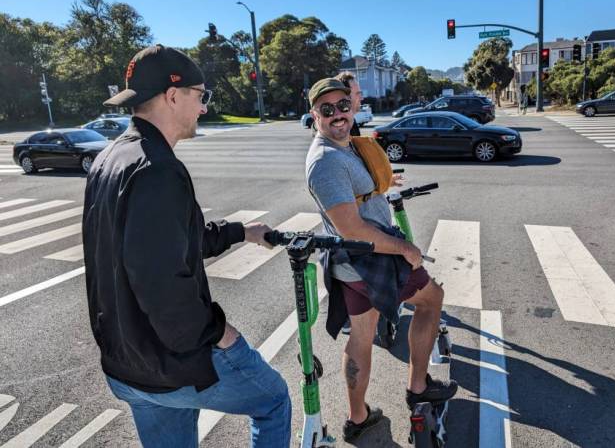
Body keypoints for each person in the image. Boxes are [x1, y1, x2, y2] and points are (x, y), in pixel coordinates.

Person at [82, 45, 291, 448]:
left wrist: (240, 232)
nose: (204, 108)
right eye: (201, 95)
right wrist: (217, 333)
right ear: (173, 95)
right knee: (273, 401)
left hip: (127, 363)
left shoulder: (111, 157)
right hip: (172, 365)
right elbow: (160, 280)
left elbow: (172, 239)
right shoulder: (157, 168)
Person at [304, 78, 457, 443]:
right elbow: (351, 226)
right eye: (327, 110)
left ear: (352, 105)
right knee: (431, 299)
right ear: (314, 116)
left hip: (353, 265)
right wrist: (404, 249)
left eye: (343, 105)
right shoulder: (325, 161)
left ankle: (358, 418)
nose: (338, 114)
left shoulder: (347, 147)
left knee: (361, 337)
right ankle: (418, 387)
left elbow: (361, 198)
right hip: (373, 259)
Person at [335, 71, 362, 136]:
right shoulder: (338, 128)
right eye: (357, 93)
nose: (361, 98)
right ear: (346, 97)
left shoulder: (351, 122)